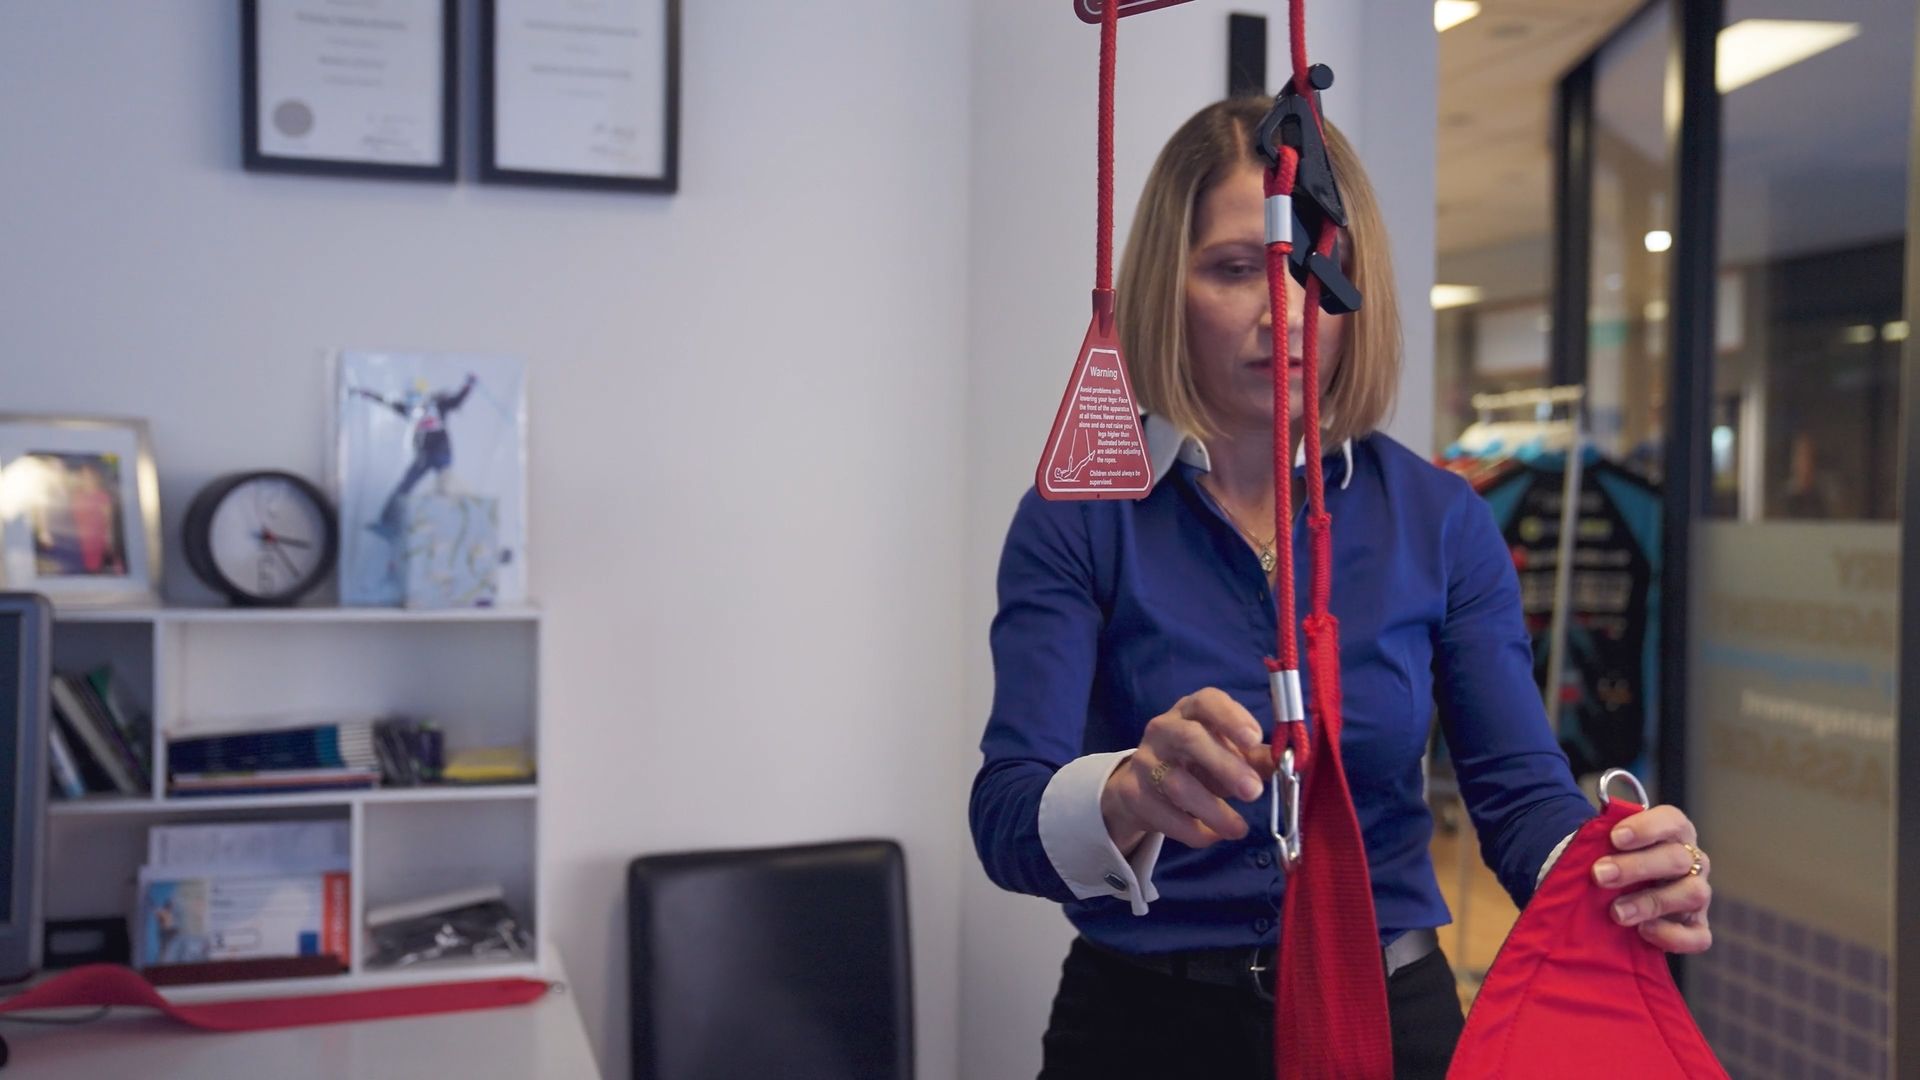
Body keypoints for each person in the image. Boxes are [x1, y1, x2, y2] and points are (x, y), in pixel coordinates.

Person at [969, 96, 1713, 1080]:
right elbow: (1007, 816)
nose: (1283, 312)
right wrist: (1129, 791)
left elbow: (1518, 795)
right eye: (1236, 269)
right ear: (1165, 286)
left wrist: (1615, 871)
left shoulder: (1439, 519)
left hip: (1385, 1021)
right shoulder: (1082, 516)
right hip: (1142, 1030)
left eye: (1314, 270)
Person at [351, 373, 479, 535]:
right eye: (410, 396)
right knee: (404, 487)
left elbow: (456, 400)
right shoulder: (410, 410)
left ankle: (462, 524)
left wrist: (469, 385)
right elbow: (388, 403)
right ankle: (388, 522)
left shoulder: (437, 405)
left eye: (416, 395)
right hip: (424, 457)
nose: (413, 400)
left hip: (441, 454)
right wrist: (368, 394)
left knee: (446, 488)